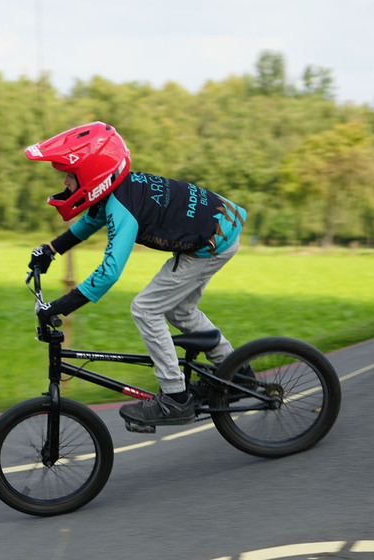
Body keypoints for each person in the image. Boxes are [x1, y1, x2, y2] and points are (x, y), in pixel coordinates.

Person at [25, 121, 246, 427]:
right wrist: (51, 249)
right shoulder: (119, 190)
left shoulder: (123, 208)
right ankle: (237, 372)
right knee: (180, 310)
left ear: (91, 176)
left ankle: (174, 397)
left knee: (145, 309)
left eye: (70, 176)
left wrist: (60, 307)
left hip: (213, 242)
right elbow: (91, 221)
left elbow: (109, 272)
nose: (65, 182)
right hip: (217, 229)